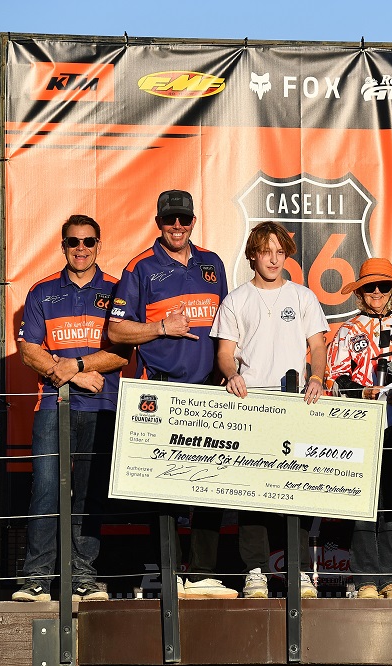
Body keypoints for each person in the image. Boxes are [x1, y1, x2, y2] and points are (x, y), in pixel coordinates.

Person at [107, 189, 237, 599]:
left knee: (210, 483)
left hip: (209, 390)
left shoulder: (212, 263)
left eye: (184, 220)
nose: (177, 227)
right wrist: (162, 328)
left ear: (194, 222)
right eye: (169, 221)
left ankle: (201, 575)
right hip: (162, 390)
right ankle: (166, 575)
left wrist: (226, 369)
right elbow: (115, 330)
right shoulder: (140, 267)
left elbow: (228, 325)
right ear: (158, 222)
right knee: (164, 486)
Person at [14, 214, 131, 602]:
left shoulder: (118, 289)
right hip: (53, 406)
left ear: (100, 245)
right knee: (46, 490)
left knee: (89, 495)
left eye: (88, 241)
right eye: (73, 242)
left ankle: (83, 577)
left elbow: (122, 352)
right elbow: (29, 351)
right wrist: (74, 375)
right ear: (62, 246)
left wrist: (78, 366)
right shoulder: (41, 292)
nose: (81, 248)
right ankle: (36, 579)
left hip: (103, 406)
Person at [210, 221, 329, 599]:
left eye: (280, 252)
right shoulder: (236, 299)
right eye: (267, 251)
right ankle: (256, 572)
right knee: (253, 492)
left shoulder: (303, 296)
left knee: (298, 488)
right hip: (252, 406)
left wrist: (317, 377)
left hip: (296, 405)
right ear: (253, 255)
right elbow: (225, 354)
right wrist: (231, 376)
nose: (274, 259)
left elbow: (318, 345)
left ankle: (298, 572)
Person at [326, 258, 392, 600]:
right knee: (364, 505)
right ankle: (366, 580)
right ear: (359, 292)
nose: (376, 292)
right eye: (369, 287)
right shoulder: (347, 330)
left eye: (382, 286)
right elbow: (334, 380)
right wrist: (363, 391)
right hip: (360, 426)